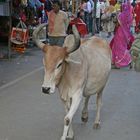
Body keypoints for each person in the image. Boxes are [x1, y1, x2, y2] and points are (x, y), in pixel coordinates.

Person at [110, 2, 134, 68]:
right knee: (122, 47)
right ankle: (118, 62)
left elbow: (117, 23)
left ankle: (124, 61)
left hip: (120, 33)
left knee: (118, 47)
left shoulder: (121, 15)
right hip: (126, 34)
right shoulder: (130, 15)